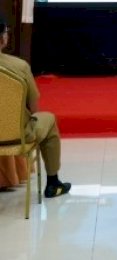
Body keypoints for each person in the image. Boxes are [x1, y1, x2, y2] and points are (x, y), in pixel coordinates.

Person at [0, 15, 71, 198]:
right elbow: (34, 107)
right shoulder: (19, 66)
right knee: (49, 120)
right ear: (3, 38)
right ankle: (53, 183)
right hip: (17, 134)